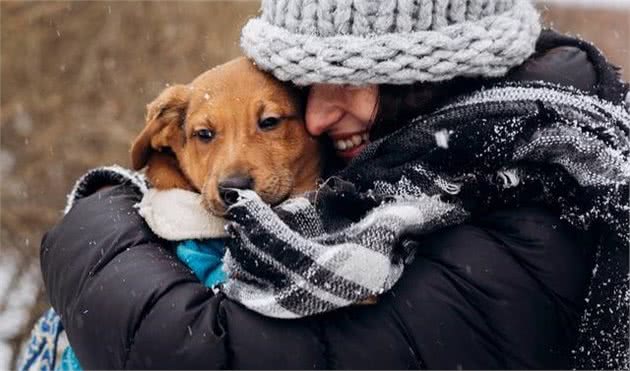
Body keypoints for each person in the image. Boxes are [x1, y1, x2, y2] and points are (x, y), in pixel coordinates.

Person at [36, 0, 629, 369]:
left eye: (349, 82)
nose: (318, 120)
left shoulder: (537, 203)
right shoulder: (434, 162)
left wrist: (92, 228)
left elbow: (203, 354)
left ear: (426, 77)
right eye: (308, 86)